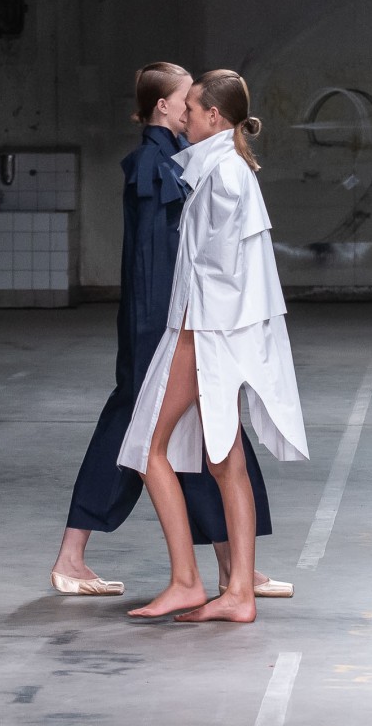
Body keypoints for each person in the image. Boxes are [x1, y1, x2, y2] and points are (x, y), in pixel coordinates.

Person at [53, 64, 283, 599]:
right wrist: (173, 338)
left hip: (177, 326)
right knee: (153, 439)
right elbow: (156, 266)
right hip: (163, 327)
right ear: (164, 107)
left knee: (193, 441)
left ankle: (229, 567)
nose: (192, 109)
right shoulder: (154, 166)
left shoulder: (184, 159)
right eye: (186, 101)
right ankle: (80, 555)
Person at [118, 70, 308, 623]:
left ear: (214, 117)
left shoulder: (224, 174)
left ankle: (188, 581)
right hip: (212, 334)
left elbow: (221, 276)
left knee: (149, 448)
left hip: (204, 335)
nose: (184, 116)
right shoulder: (225, 168)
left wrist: (187, 343)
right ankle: (238, 592)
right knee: (225, 462)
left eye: (193, 109)